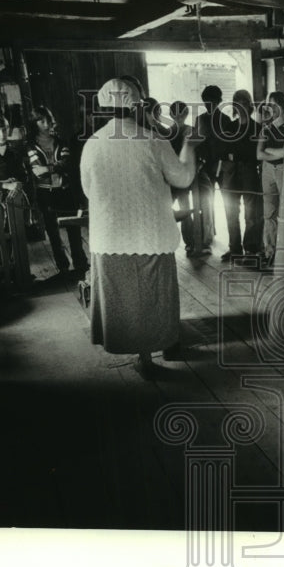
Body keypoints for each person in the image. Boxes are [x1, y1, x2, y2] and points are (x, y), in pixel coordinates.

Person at [80, 77, 197, 376]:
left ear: (103, 109)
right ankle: (162, 348)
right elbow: (182, 178)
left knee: (123, 300)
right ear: (137, 105)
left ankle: (139, 356)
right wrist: (190, 144)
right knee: (154, 297)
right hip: (150, 233)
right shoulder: (152, 141)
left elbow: (88, 190)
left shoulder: (93, 145)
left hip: (110, 236)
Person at [26, 105, 88, 274]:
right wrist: (54, 167)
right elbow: (37, 170)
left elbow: (66, 164)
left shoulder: (61, 141)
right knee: (53, 233)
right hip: (45, 194)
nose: (46, 124)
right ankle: (63, 268)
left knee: (73, 230)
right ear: (34, 123)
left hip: (65, 191)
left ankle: (81, 264)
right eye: (41, 121)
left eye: (48, 119)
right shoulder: (30, 146)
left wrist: (49, 168)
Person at [219, 89, 263, 261]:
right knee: (231, 212)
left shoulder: (256, 128)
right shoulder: (229, 126)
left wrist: (235, 154)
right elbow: (222, 151)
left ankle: (251, 249)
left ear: (249, 105)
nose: (240, 105)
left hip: (249, 172)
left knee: (251, 213)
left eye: (244, 102)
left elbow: (254, 154)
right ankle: (235, 249)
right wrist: (235, 154)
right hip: (231, 173)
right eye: (237, 102)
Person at [189, 85, 230, 256]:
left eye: (212, 102)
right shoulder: (200, 120)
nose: (208, 105)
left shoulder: (226, 120)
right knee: (206, 203)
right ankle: (207, 236)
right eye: (206, 102)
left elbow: (229, 144)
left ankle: (232, 241)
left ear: (219, 101)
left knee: (229, 203)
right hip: (206, 166)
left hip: (223, 165)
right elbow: (197, 143)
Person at [256, 90, 284, 266]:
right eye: (270, 105)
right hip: (268, 170)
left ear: (283, 107)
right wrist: (277, 153)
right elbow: (258, 154)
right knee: (268, 213)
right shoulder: (266, 129)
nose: (271, 108)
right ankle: (270, 252)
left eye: (275, 105)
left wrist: (270, 151)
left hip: (283, 170)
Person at [167, 100, 197, 254]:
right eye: (176, 114)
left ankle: (188, 242)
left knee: (180, 211)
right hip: (176, 179)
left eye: (181, 114)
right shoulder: (168, 133)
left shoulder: (168, 133)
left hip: (177, 179)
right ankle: (183, 243)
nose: (179, 117)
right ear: (171, 115)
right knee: (174, 211)